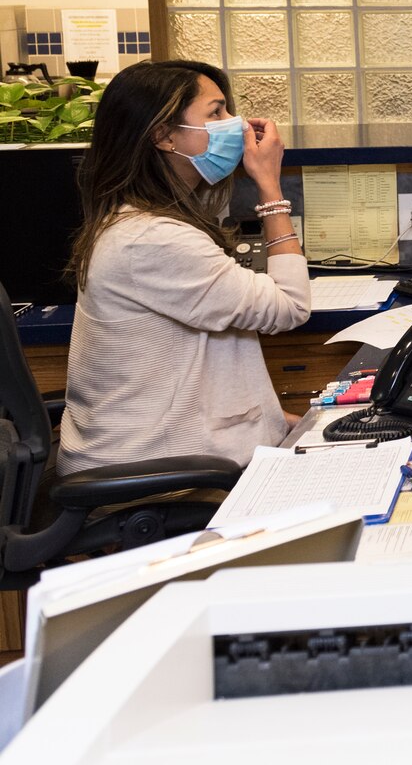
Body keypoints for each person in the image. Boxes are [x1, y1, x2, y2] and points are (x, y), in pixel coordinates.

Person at [56, 60, 309, 474]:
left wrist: (269, 420)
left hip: (172, 451)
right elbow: (290, 307)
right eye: (216, 112)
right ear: (163, 136)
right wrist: (269, 185)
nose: (238, 125)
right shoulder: (151, 239)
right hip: (161, 471)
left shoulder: (139, 221)